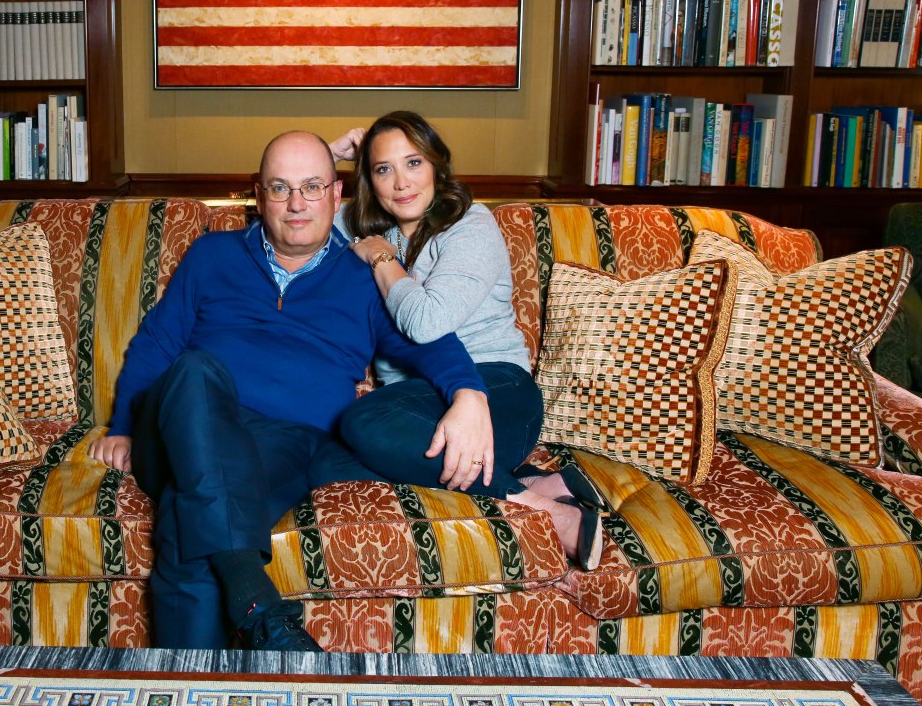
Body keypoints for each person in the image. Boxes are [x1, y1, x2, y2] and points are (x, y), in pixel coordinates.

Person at [90, 130, 489, 652]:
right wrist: (121, 428)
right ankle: (260, 609)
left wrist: (469, 395)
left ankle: (224, 642)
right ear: (259, 196)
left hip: (285, 445)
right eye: (280, 188)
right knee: (193, 370)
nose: (296, 203)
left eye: (310, 186)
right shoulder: (212, 254)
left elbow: (425, 341)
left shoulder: (363, 272)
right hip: (180, 425)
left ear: (335, 195)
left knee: (186, 537)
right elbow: (157, 344)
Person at [320, 111, 603, 570]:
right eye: (383, 169)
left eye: (413, 163)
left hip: (497, 395)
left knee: (362, 422)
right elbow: (290, 227)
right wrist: (330, 156)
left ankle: (550, 514)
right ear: (369, 180)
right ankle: (537, 485)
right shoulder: (371, 224)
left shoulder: (470, 225)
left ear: (436, 165)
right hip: (417, 406)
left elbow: (426, 321)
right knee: (323, 464)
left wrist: (381, 258)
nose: (401, 182)